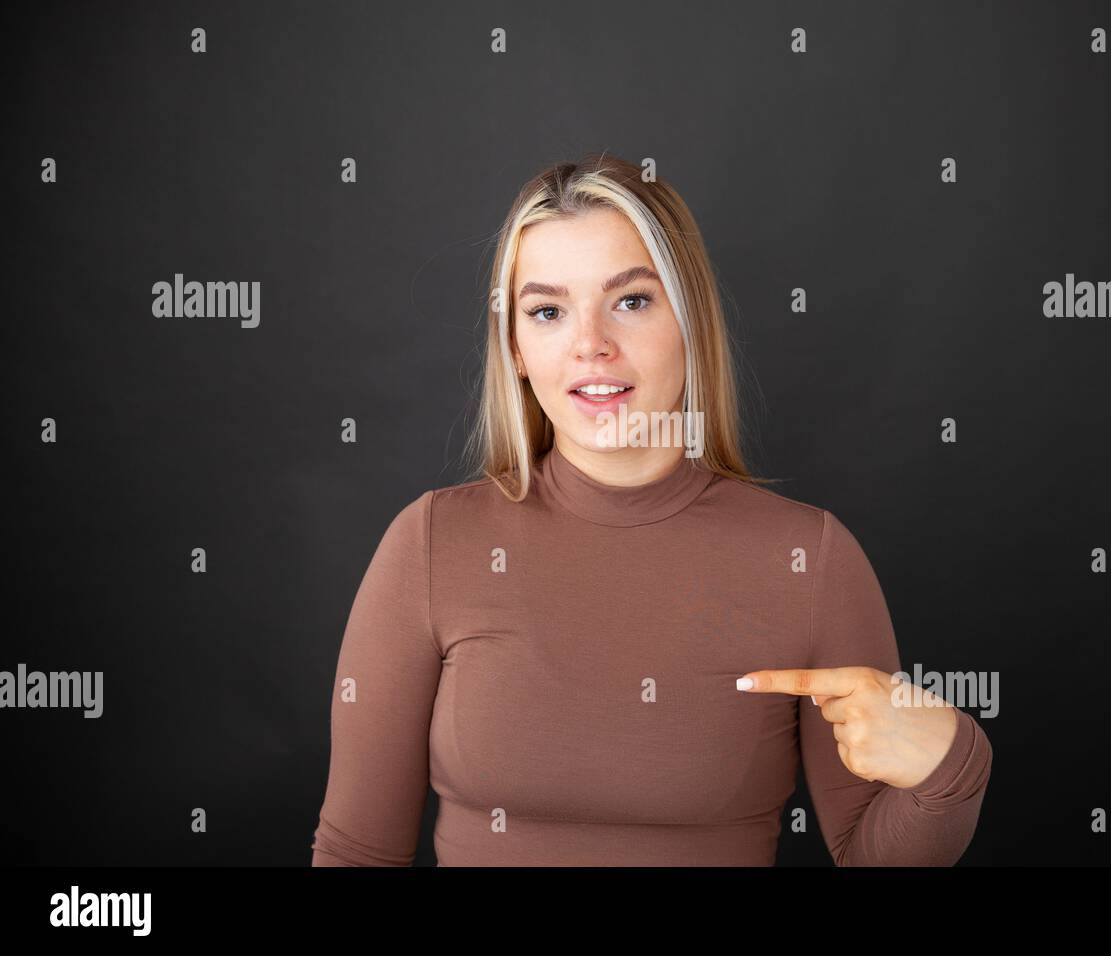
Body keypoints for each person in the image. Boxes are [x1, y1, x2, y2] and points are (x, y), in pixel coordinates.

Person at [310, 153, 992, 866]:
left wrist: (953, 766)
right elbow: (357, 854)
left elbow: (867, 857)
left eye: (632, 300)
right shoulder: (430, 543)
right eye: (547, 310)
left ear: (689, 315)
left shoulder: (809, 560)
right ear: (515, 346)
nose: (591, 345)